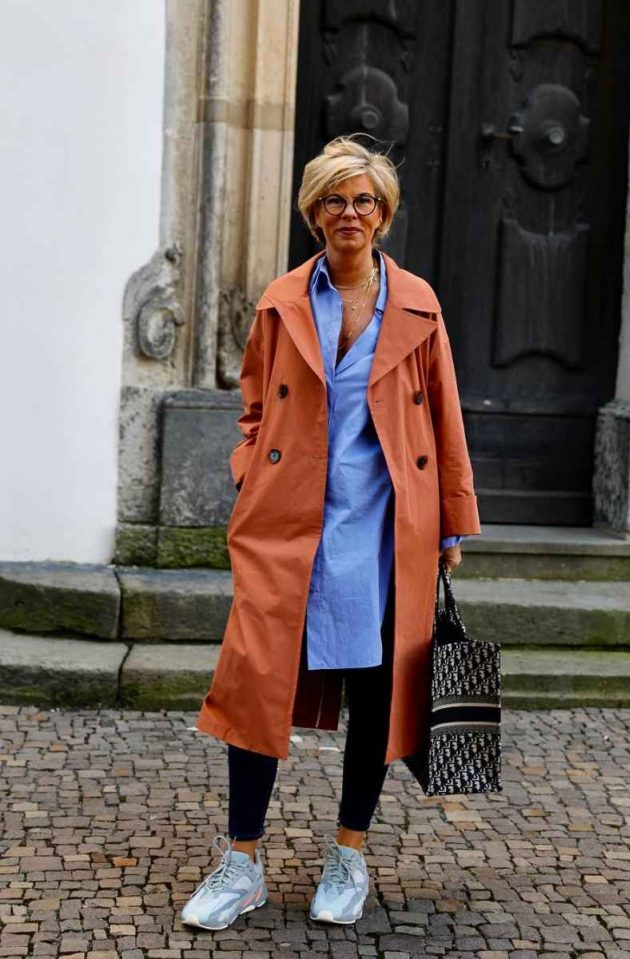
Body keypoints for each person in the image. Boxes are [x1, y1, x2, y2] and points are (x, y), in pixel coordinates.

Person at [183, 134, 481, 930]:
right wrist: (249, 470)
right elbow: (253, 405)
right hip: (287, 520)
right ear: (314, 213)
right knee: (257, 679)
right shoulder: (282, 300)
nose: (350, 213)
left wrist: (452, 519)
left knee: (378, 687)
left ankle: (349, 851)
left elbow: (445, 415)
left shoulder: (418, 304)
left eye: (364, 200)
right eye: (334, 200)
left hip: (383, 523)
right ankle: (242, 860)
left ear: (383, 214)